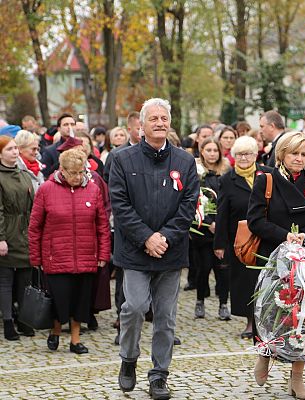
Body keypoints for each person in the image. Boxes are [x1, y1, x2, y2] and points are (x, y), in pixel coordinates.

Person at [109, 98, 199, 399]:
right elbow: (120, 206)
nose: (160, 123)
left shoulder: (185, 161)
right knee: (133, 307)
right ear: (141, 126)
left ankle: (159, 375)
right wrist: (147, 237)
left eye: (164, 118)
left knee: (165, 316)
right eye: (154, 119)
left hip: (170, 252)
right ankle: (129, 359)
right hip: (134, 252)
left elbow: (188, 206)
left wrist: (165, 237)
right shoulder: (122, 160)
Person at [247, 131, 305, 399]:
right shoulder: (266, 180)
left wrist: (304, 237)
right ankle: (265, 354)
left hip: (304, 264)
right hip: (274, 259)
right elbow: (255, 220)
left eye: (304, 155)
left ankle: (297, 377)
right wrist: (284, 235)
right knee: (274, 314)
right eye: (294, 153)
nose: (299, 159)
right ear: (282, 154)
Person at [28, 149, 110, 353]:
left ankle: (75, 341)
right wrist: (36, 257)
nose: (77, 177)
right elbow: (35, 226)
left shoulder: (93, 190)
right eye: (72, 173)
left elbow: (102, 225)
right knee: (59, 300)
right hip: (56, 257)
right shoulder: (46, 189)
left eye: (81, 172)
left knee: (81, 302)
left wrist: (102, 255)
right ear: (61, 170)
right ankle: (55, 331)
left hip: (85, 257)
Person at [214, 136, 271, 338]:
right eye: (239, 154)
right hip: (240, 239)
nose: (244, 158)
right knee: (243, 280)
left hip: (266, 235)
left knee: (265, 279)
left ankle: (266, 321)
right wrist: (219, 243)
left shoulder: (268, 174)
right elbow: (222, 213)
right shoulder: (227, 180)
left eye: (247, 153)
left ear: (256, 155)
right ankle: (249, 321)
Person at [0, 136, 35, 340]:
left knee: (25, 279)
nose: (14, 152)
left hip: (25, 231)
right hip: (8, 230)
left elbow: (32, 206)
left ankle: (24, 319)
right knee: (5, 280)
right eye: (10, 149)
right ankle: (8, 322)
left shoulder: (24, 174)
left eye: (15, 148)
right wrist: (1, 237)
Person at [192, 137, 231, 320]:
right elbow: (196, 201)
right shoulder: (197, 173)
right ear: (202, 152)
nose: (212, 154)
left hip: (222, 229)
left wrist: (221, 225)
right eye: (208, 150)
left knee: (222, 268)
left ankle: (223, 304)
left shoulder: (226, 172)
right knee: (204, 267)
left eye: (215, 150)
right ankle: (200, 300)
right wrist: (209, 222)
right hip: (204, 230)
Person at [41, 114, 76, 178]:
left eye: (72, 124)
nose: (70, 127)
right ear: (59, 129)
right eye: (66, 124)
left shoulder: (82, 147)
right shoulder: (49, 151)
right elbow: (45, 174)